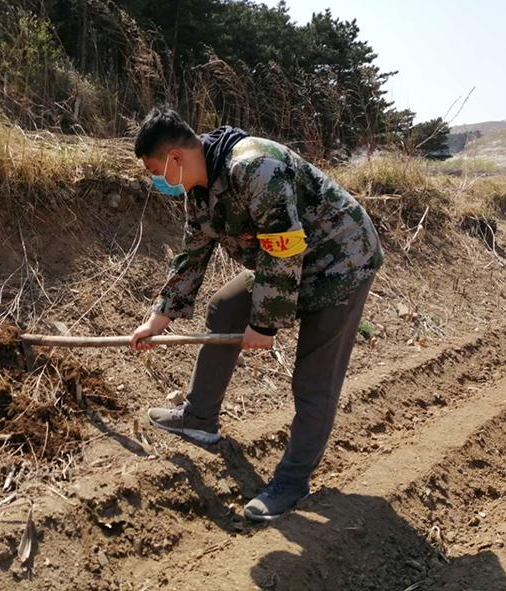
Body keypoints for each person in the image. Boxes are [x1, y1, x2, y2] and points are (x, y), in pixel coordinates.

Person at [128, 106, 385, 522]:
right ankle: (199, 417)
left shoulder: (254, 167)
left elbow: (284, 252)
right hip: (286, 258)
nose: (157, 181)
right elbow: (193, 255)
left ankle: (291, 483)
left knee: (313, 379)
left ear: (175, 157)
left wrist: (264, 323)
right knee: (225, 306)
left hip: (341, 261)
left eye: (155, 170)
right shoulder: (198, 189)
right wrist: (158, 319)